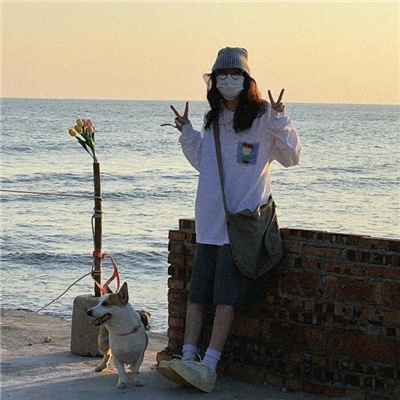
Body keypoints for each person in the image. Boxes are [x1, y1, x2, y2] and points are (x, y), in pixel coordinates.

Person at [158, 47, 301, 393]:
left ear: (246, 79)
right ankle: (187, 357)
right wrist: (188, 132)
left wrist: (281, 119)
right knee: (197, 293)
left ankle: (209, 366)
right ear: (213, 80)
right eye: (221, 74)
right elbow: (205, 164)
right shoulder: (213, 119)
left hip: (241, 224)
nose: (227, 80)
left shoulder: (264, 117)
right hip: (209, 220)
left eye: (234, 73)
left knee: (226, 297)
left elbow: (292, 157)